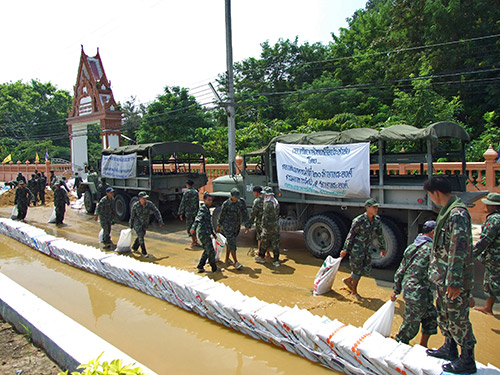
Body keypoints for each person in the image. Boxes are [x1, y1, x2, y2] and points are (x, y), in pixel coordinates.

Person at [423, 176, 476, 374]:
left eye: (429, 194)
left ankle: (467, 360)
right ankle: (449, 348)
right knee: (445, 314)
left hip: (453, 279)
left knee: (458, 317)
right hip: (443, 276)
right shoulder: (446, 212)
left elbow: (458, 249)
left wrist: (454, 282)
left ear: (436, 193)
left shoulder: (457, 214)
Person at [391, 220, 438, 347]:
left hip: (422, 290)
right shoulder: (431, 249)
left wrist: (396, 289)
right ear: (433, 232)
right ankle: (399, 346)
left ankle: (423, 346)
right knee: (411, 324)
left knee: (431, 317)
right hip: (416, 291)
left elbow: (401, 270)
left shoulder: (413, 246)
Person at [340, 198, 387, 299]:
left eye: (377, 207)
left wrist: (383, 248)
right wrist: (345, 250)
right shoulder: (359, 221)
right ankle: (354, 292)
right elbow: (351, 235)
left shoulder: (376, 220)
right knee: (357, 270)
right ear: (367, 208)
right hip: (357, 249)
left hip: (367, 249)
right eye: (374, 207)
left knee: (365, 270)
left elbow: (380, 235)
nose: (376, 209)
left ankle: (348, 280)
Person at [472, 192, 500, 315]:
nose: (486, 207)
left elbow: (485, 241)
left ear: (494, 206)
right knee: (489, 283)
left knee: (495, 284)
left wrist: (471, 255)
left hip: (496, 258)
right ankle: (488, 307)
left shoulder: (494, 219)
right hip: (493, 257)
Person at [216, 187, 250, 270]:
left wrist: (247, 225)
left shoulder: (241, 202)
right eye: (235, 197)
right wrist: (219, 225)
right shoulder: (226, 204)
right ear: (231, 196)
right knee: (232, 243)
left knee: (230, 242)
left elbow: (245, 213)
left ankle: (227, 259)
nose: (236, 198)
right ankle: (236, 262)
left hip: (236, 226)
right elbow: (222, 215)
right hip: (228, 226)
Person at [129, 191, 164, 258]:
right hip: (137, 223)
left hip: (145, 223)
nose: (145, 200)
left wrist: (160, 221)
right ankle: (144, 252)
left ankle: (134, 247)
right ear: (140, 198)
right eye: (143, 198)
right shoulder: (135, 206)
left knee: (141, 236)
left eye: (146, 198)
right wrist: (131, 225)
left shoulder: (149, 204)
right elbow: (132, 216)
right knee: (141, 236)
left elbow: (156, 211)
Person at [191, 192, 219, 273]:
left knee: (207, 251)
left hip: (207, 233)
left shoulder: (207, 209)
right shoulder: (203, 209)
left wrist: (213, 234)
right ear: (204, 200)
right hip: (203, 234)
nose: (210, 202)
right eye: (208, 200)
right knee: (211, 251)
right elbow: (198, 218)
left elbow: (209, 224)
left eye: (211, 200)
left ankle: (200, 266)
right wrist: (193, 227)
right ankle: (214, 268)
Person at [254, 186, 281, 267]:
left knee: (263, 242)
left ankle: (262, 258)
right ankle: (276, 261)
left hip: (267, 227)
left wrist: (263, 226)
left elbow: (265, 217)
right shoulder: (276, 202)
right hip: (275, 226)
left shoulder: (267, 204)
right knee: (275, 244)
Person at [178, 179, 200, 246]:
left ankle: (194, 241)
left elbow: (183, 203)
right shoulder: (196, 192)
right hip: (195, 212)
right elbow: (197, 202)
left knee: (190, 227)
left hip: (189, 212)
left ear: (188, 185)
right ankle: (195, 240)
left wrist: (180, 213)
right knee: (194, 226)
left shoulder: (187, 193)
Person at [248, 186, 264, 255]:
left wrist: (249, 224)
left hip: (259, 221)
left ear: (256, 193)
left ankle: (260, 251)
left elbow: (253, 214)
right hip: (266, 221)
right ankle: (267, 253)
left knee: (259, 236)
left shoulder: (257, 201)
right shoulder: (266, 199)